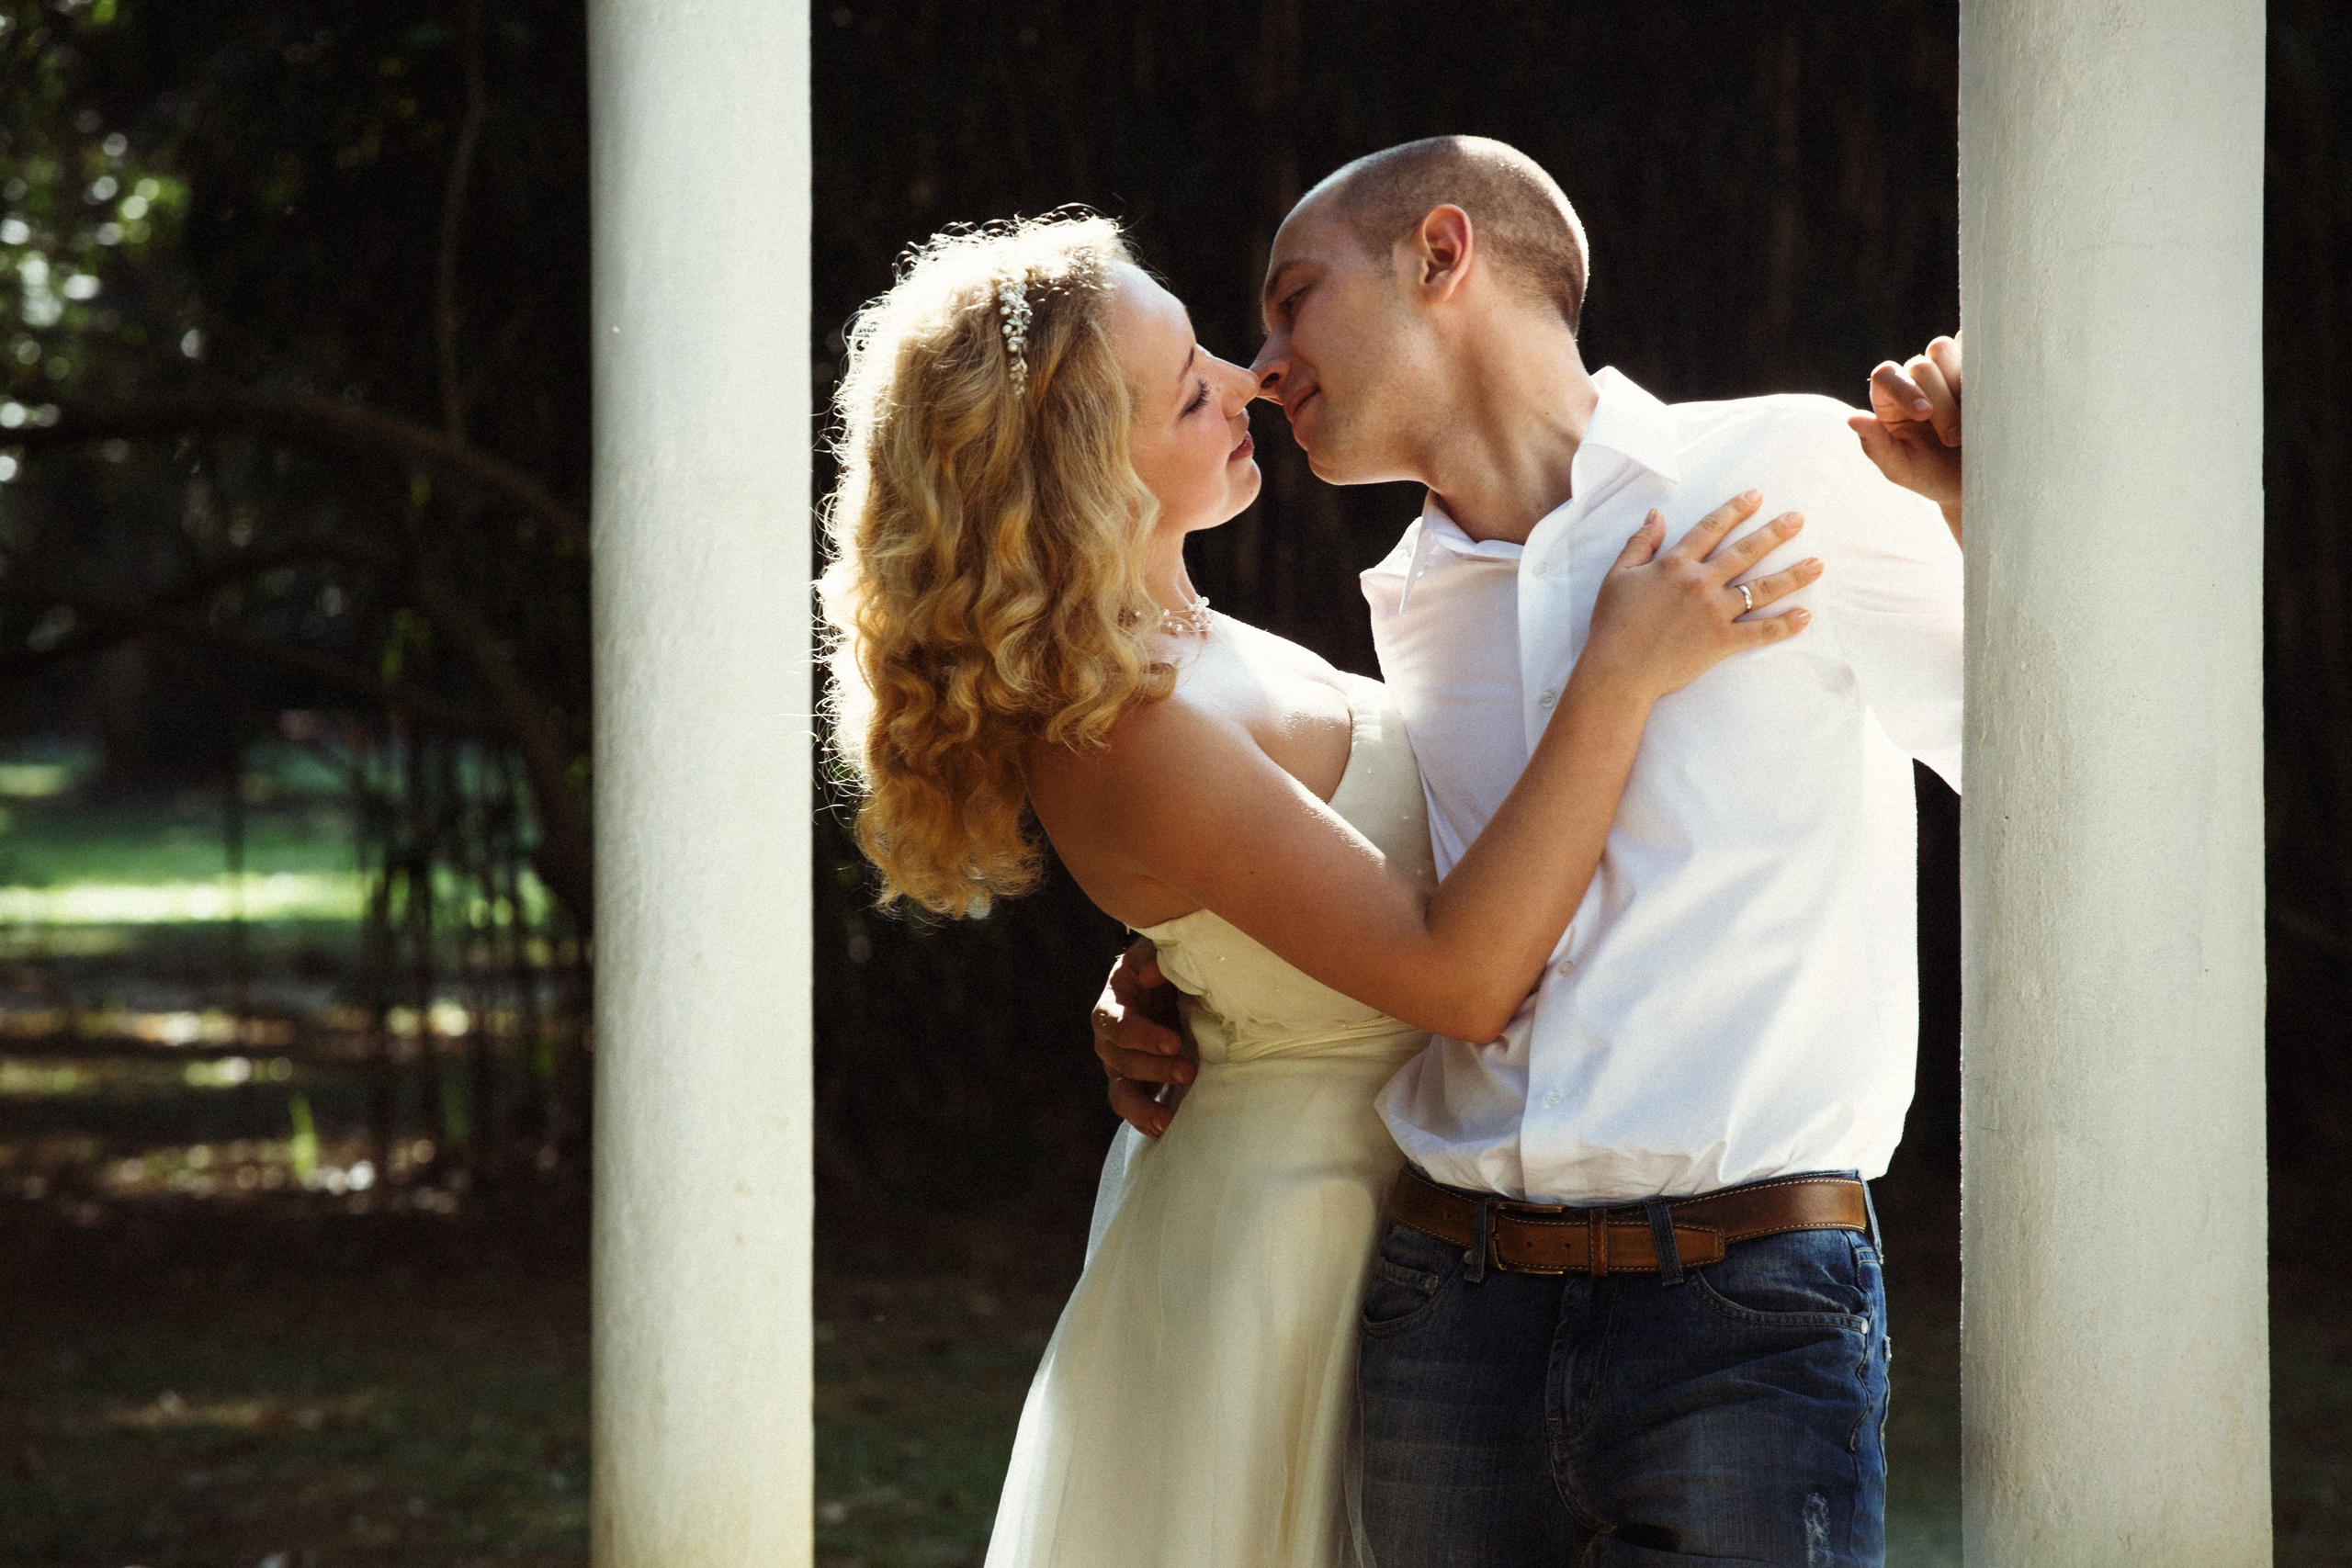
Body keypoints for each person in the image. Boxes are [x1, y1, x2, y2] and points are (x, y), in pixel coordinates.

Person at [819, 210, 1820, 1568]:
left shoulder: (1197, 644)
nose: (1249, 383)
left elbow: (1276, 894)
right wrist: (1621, 674)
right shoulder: (1121, 720)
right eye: (1190, 391)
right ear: (1081, 477)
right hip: (1291, 1248)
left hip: (1397, 1210)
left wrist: (1191, 976)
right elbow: (1459, 978)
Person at [1091, 137, 1969, 1566]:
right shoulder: (1406, 610)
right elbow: (1381, 893)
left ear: (1444, 254)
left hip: (1747, 1311)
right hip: (1448, 1311)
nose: (1262, 365)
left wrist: (1979, 521)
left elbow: (2042, 762)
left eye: (1293, 299)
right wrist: (1180, 974)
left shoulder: (1789, 472)